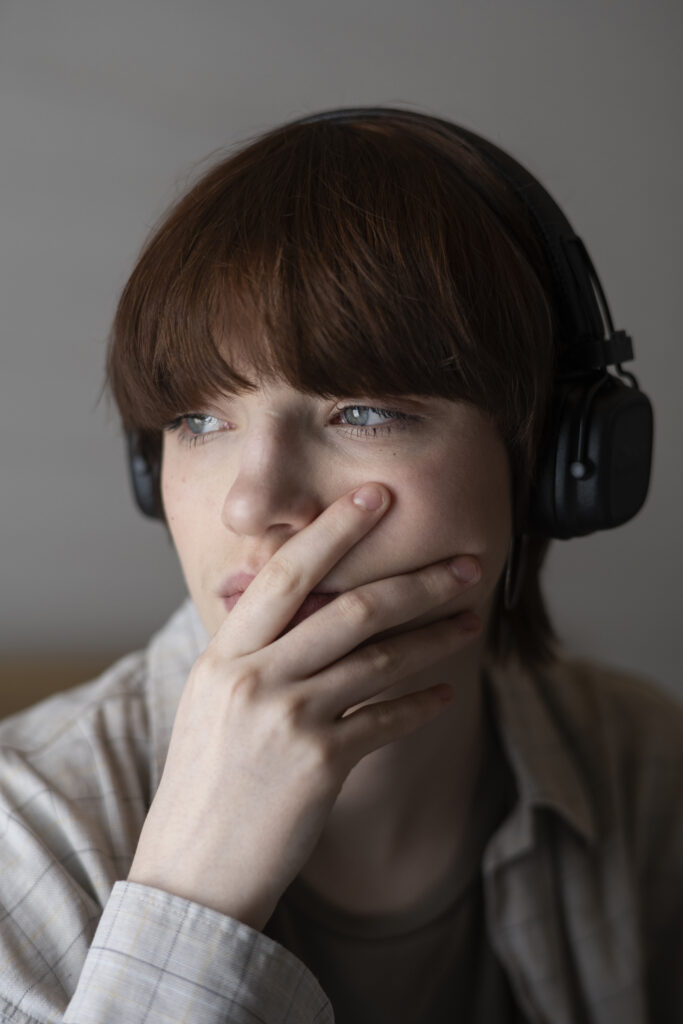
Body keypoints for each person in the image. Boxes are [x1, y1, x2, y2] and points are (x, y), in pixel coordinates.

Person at [0, 106, 680, 1024]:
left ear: (554, 466)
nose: (250, 502)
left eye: (362, 411)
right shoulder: (24, 841)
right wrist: (189, 900)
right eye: (199, 420)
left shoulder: (648, 770)